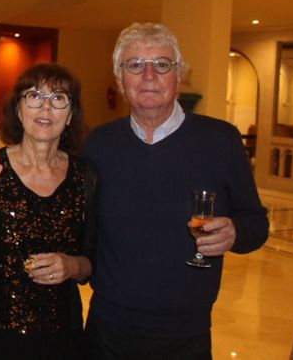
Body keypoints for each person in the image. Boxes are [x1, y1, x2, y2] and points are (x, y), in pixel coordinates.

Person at [83, 22, 269, 360]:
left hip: (185, 335)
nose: (149, 75)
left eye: (162, 64)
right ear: (120, 80)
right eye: (135, 65)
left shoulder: (220, 140)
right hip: (107, 330)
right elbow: (79, 226)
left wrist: (235, 232)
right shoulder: (99, 144)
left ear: (178, 77)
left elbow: (256, 223)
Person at [0, 63, 96, 360]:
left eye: (58, 98)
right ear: (18, 111)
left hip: (59, 334)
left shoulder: (86, 176)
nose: (46, 107)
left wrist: (71, 265)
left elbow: (93, 261)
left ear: (70, 114)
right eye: (34, 96)